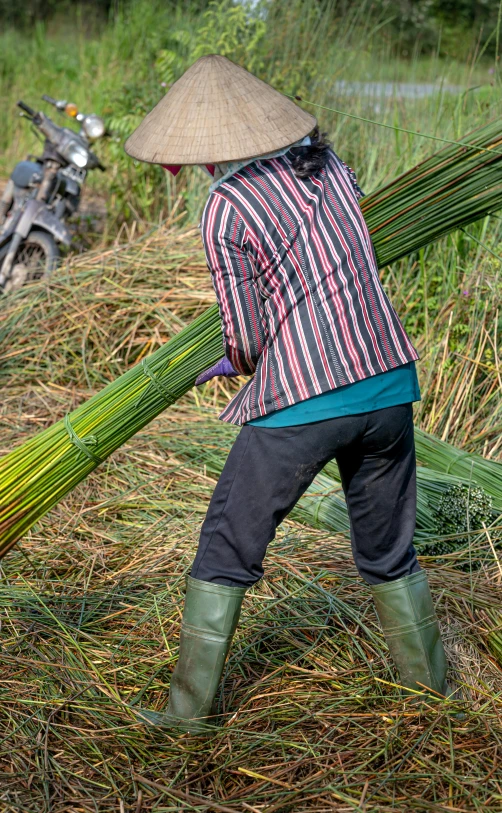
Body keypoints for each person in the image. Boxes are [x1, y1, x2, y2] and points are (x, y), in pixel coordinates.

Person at [126, 54, 449, 734]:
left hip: (305, 400)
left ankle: (187, 716)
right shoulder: (328, 167)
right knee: (388, 549)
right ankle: (431, 694)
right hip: (389, 386)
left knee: (225, 547)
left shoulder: (226, 206)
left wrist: (226, 361)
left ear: (200, 149)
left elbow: (244, 335)